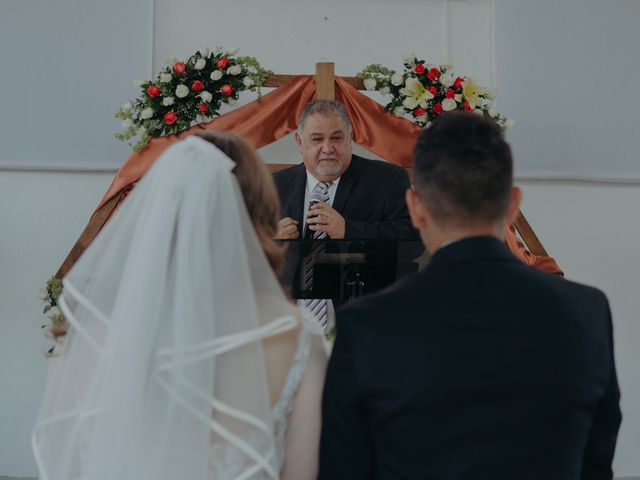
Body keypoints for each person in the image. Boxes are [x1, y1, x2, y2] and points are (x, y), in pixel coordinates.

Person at [319, 112, 621, 479]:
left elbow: (344, 469)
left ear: (415, 208)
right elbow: (595, 463)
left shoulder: (368, 324)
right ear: (512, 204)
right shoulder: (586, 311)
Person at [32, 132, 327, 480]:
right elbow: (303, 472)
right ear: (259, 215)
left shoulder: (84, 335)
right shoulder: (296, 338)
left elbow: (64, 460)